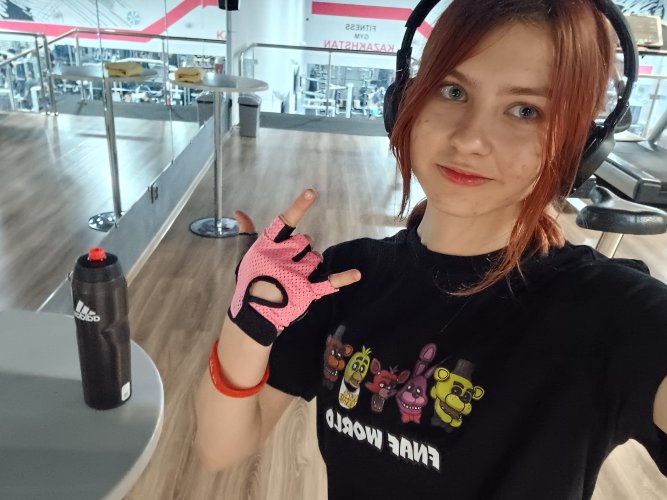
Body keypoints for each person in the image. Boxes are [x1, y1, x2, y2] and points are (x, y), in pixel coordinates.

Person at [195, 0, 667, 498]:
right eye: (453, 90)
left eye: (525, 110)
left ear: (576, 145)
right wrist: (249, 320)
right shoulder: (344, 277)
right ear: (408, 100)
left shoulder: (612, 315)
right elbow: (220, 449)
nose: (470, 139)